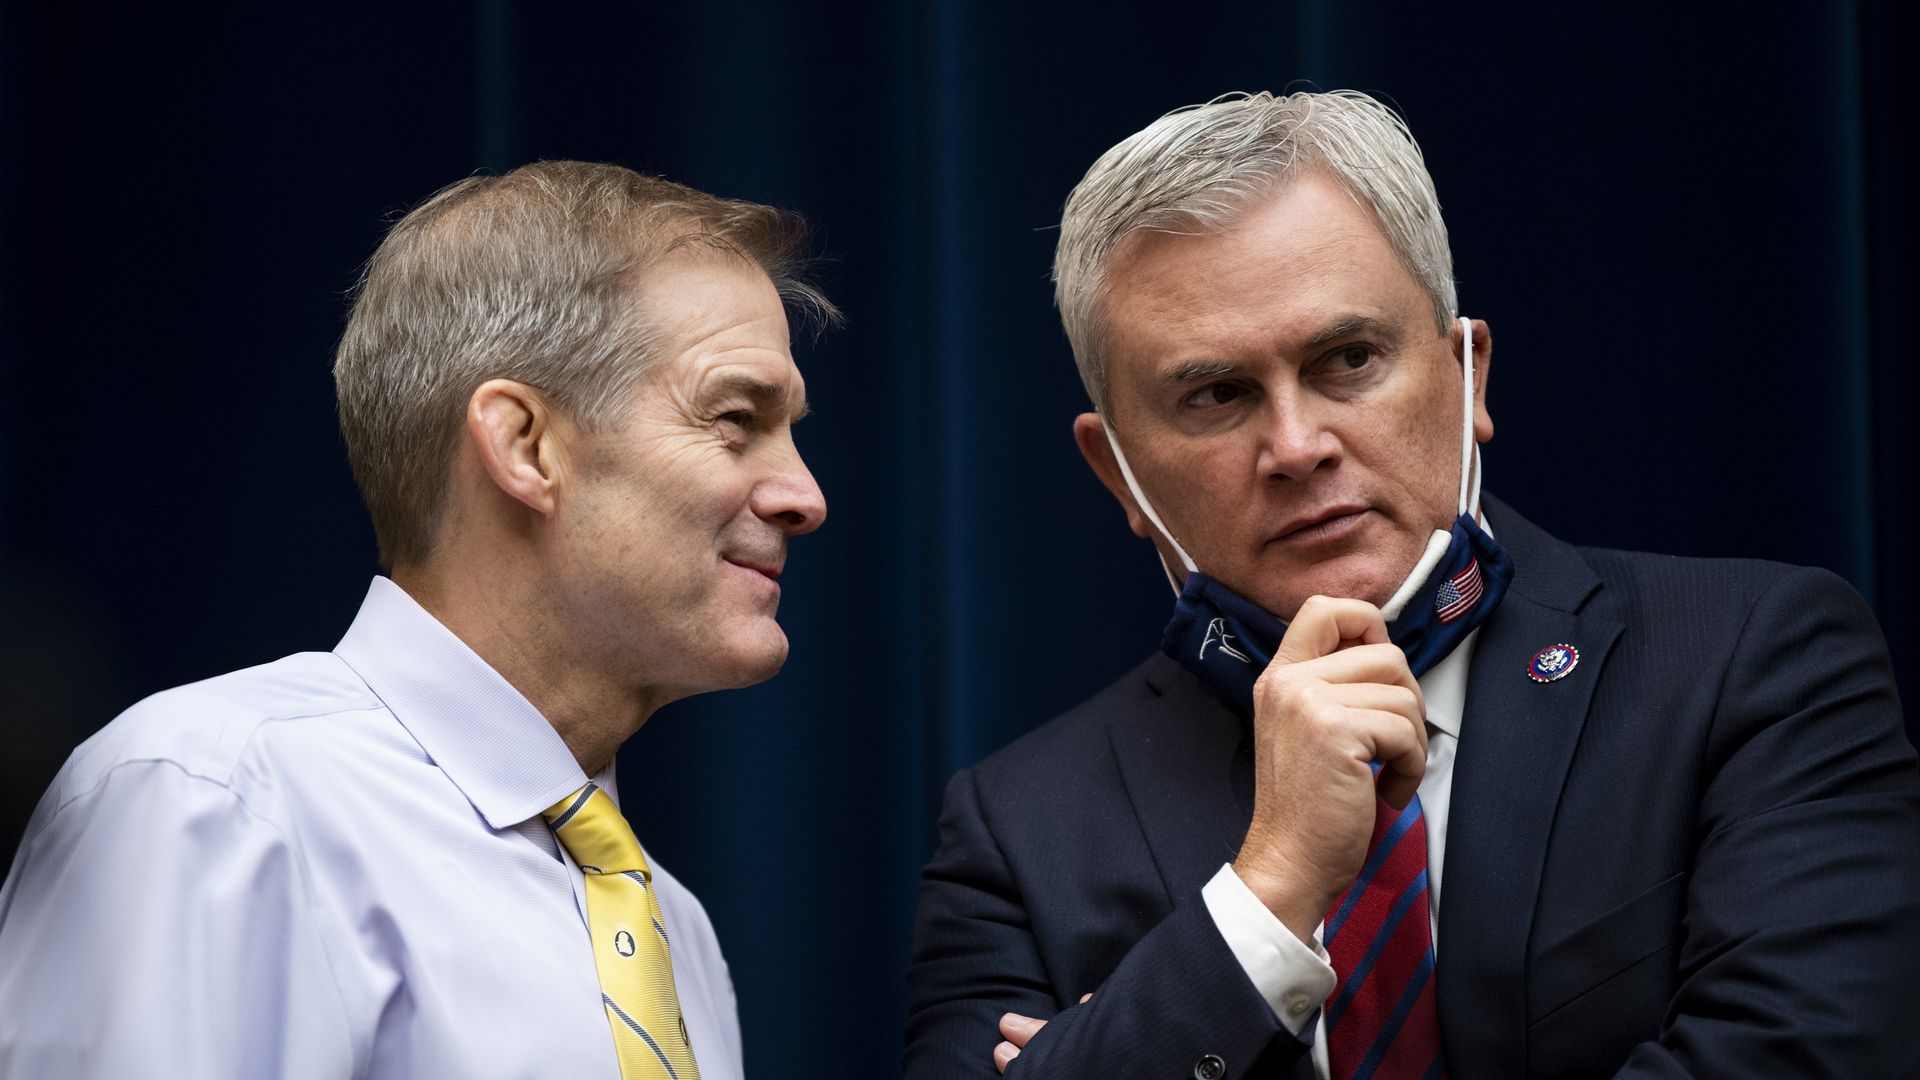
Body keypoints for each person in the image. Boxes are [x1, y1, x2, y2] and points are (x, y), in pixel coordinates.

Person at [905, 91, 1920, 1079]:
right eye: (1216, 394)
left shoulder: (1754, 665)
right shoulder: (1017, 829)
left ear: (1468, 375)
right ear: (1116, 472)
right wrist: (1268, 893)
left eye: (1348, 359)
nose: (1297, 446)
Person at [0, 161, 834, 1078]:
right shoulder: (215, 800)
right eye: (733, 418)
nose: (804, 496)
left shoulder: (672, 923)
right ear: (524, 445)